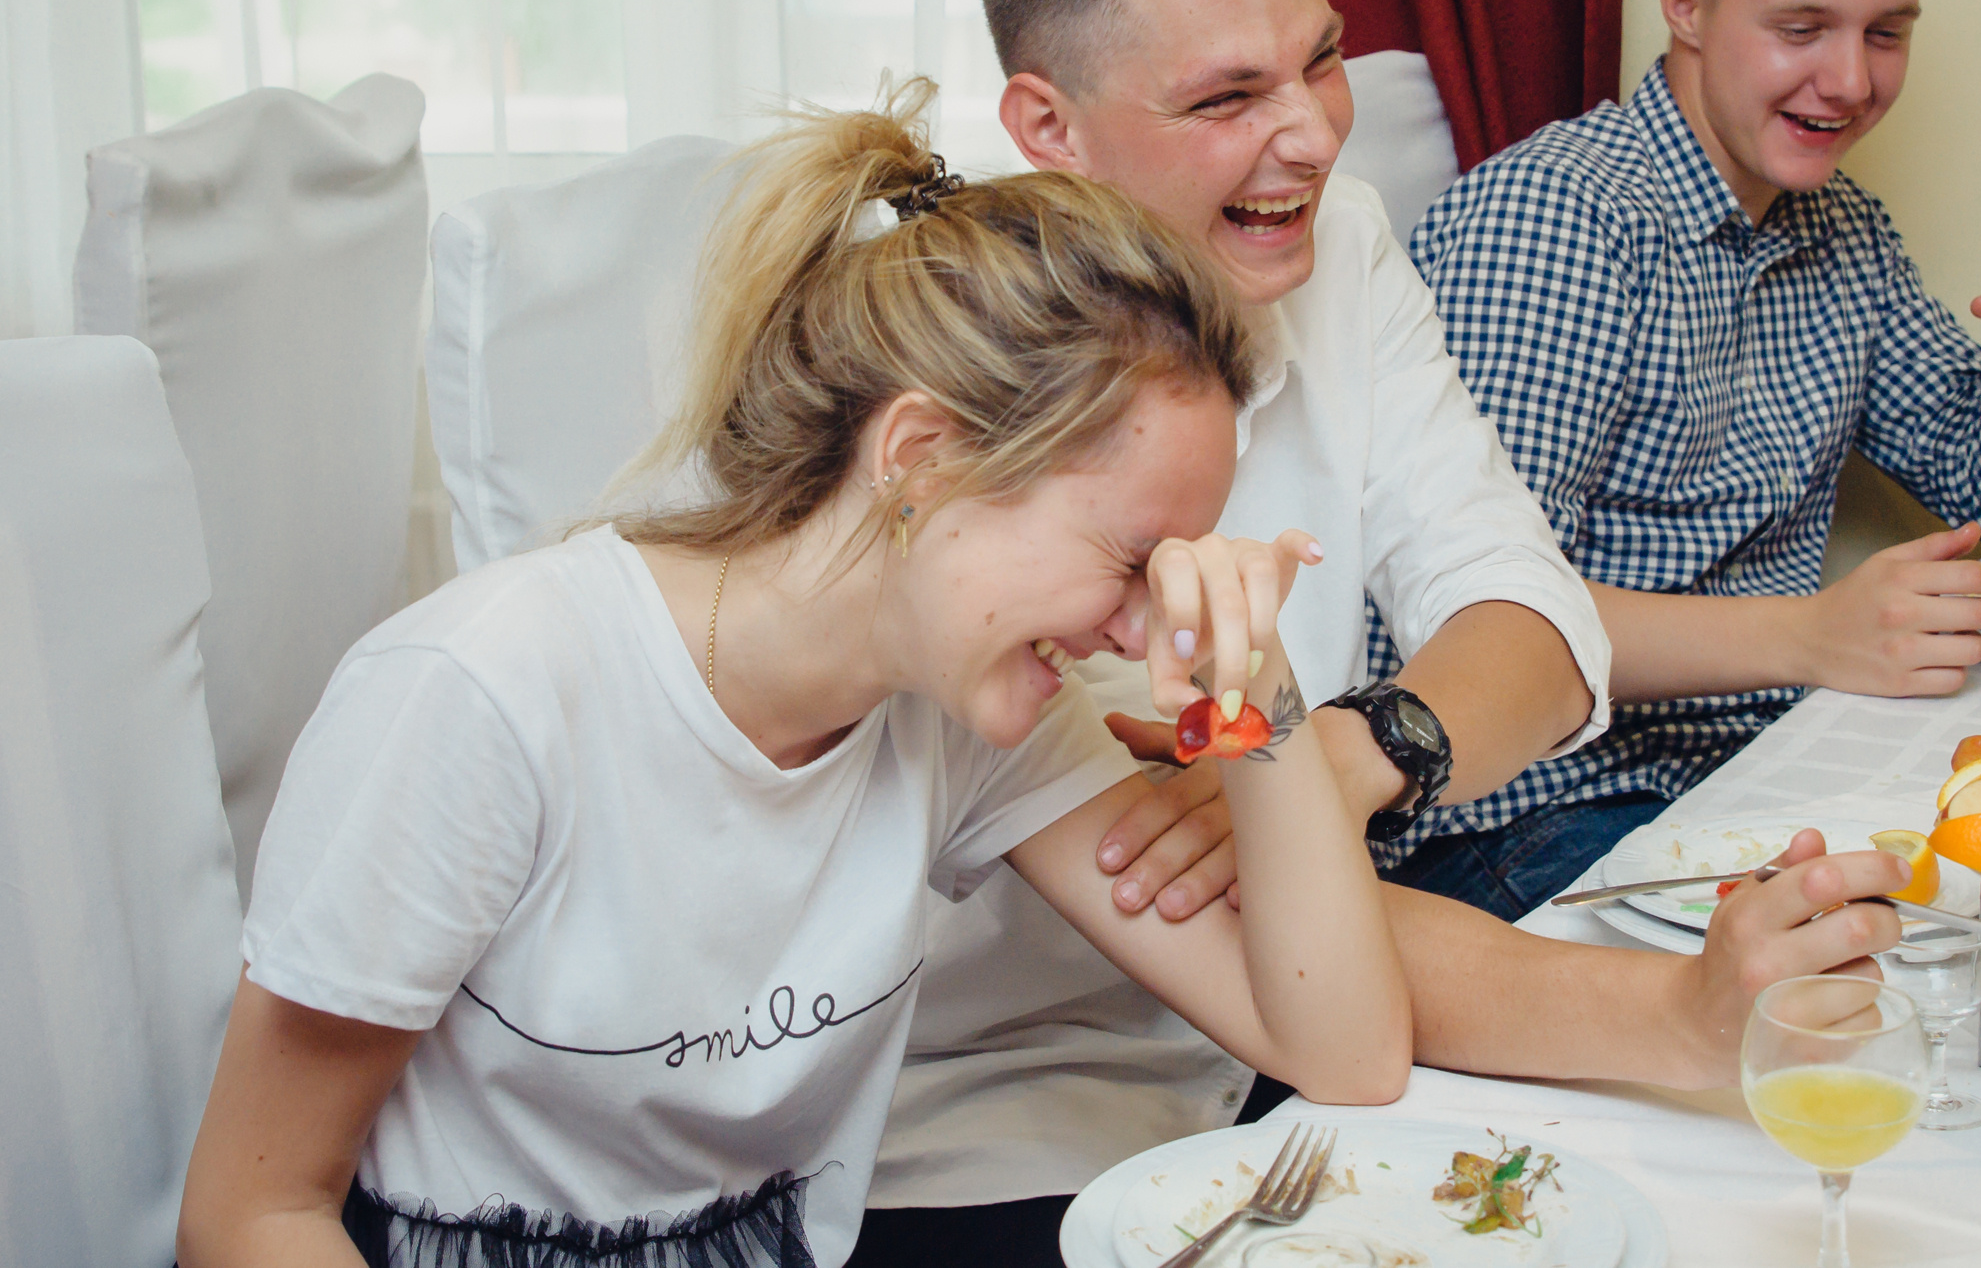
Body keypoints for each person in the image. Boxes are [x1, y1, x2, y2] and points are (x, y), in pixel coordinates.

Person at [856, 0, 1910, 1268]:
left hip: (1285, 1067)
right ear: (1047, 125)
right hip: (990, 1129)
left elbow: (1537, 628)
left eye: (1324, 58)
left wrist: (1344, 758)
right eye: (1227, 99)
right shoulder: (972, 416)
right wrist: (1669, 1022)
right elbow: (1214, 890)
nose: (1311, 133)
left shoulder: (1336, 242)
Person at [174, 84, 1414, 1268]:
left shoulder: (972, 707)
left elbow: (1342, 1051)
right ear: (920, 456)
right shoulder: (481, 695)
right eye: (1133, 559)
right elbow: (251, 1211)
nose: (1146, 634)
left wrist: (1258, 685)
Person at [1404, 0, 1981, 906]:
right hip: (1534, 811)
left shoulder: (1839, 228)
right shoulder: (1561, 218)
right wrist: (1810, 636)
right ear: (1686, 5)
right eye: (1802, 27)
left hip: (1749, 773)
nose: (1850, 80)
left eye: (1886, 32)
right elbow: (1481, 619)